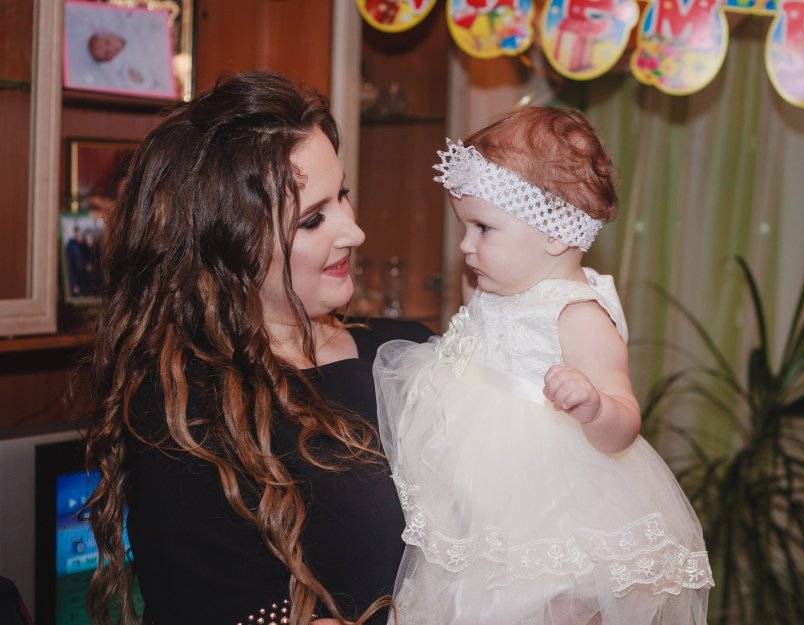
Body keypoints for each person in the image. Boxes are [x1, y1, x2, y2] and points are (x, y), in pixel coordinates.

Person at [73, 72, 433, 625]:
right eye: (313, 219)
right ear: (228, 245)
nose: (354, 232)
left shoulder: (405, 349)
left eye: (343, 195)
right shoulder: (186, 413)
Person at [374, 106, 714, 624]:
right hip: (475, 499)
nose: (465, 245)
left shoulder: (578, 315)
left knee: (542, 606)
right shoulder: (488, 285)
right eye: (465, 226)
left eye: (483, 228)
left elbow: (625, 423)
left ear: (555, 232)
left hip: (546, 511)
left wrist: (594, 406)